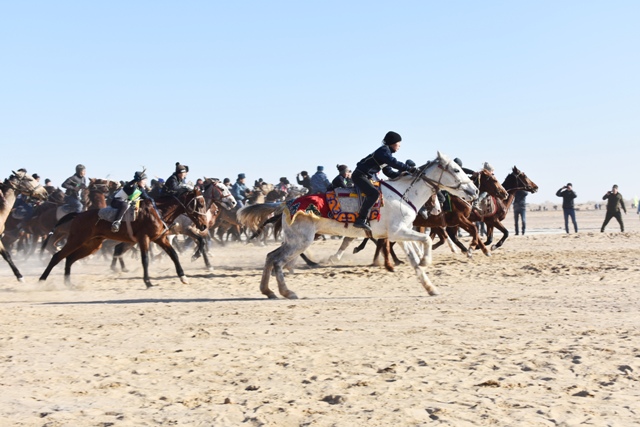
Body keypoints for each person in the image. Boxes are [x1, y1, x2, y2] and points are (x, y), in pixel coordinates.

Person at [352, 131, 417, 231]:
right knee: (374, 194)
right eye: (399, 143)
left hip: (365, 177)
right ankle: (360, 219)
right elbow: (393, 162)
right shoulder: (383, 151)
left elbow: (389, 172)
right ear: (393, 142)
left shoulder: (386, 153)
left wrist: (402, 175)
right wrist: (408, 168)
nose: (399, 146)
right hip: (359, 176)